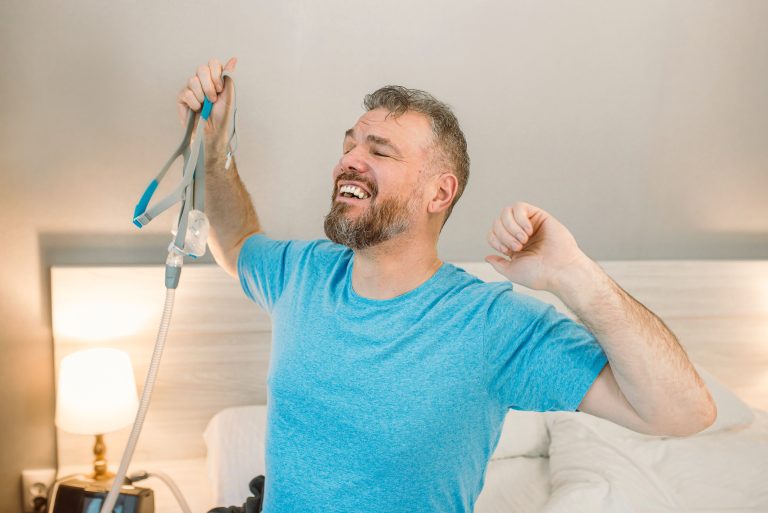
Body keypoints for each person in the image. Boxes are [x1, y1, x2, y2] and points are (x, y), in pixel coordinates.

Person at [178, 57, 716, 513]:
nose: (349, 159)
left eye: (379, 150)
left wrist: (573, 275)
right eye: (349, 144)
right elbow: (238, 241)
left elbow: (682, 413)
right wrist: (214, 145)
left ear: (440, 194)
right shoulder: (302, 274)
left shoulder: (492, 324)